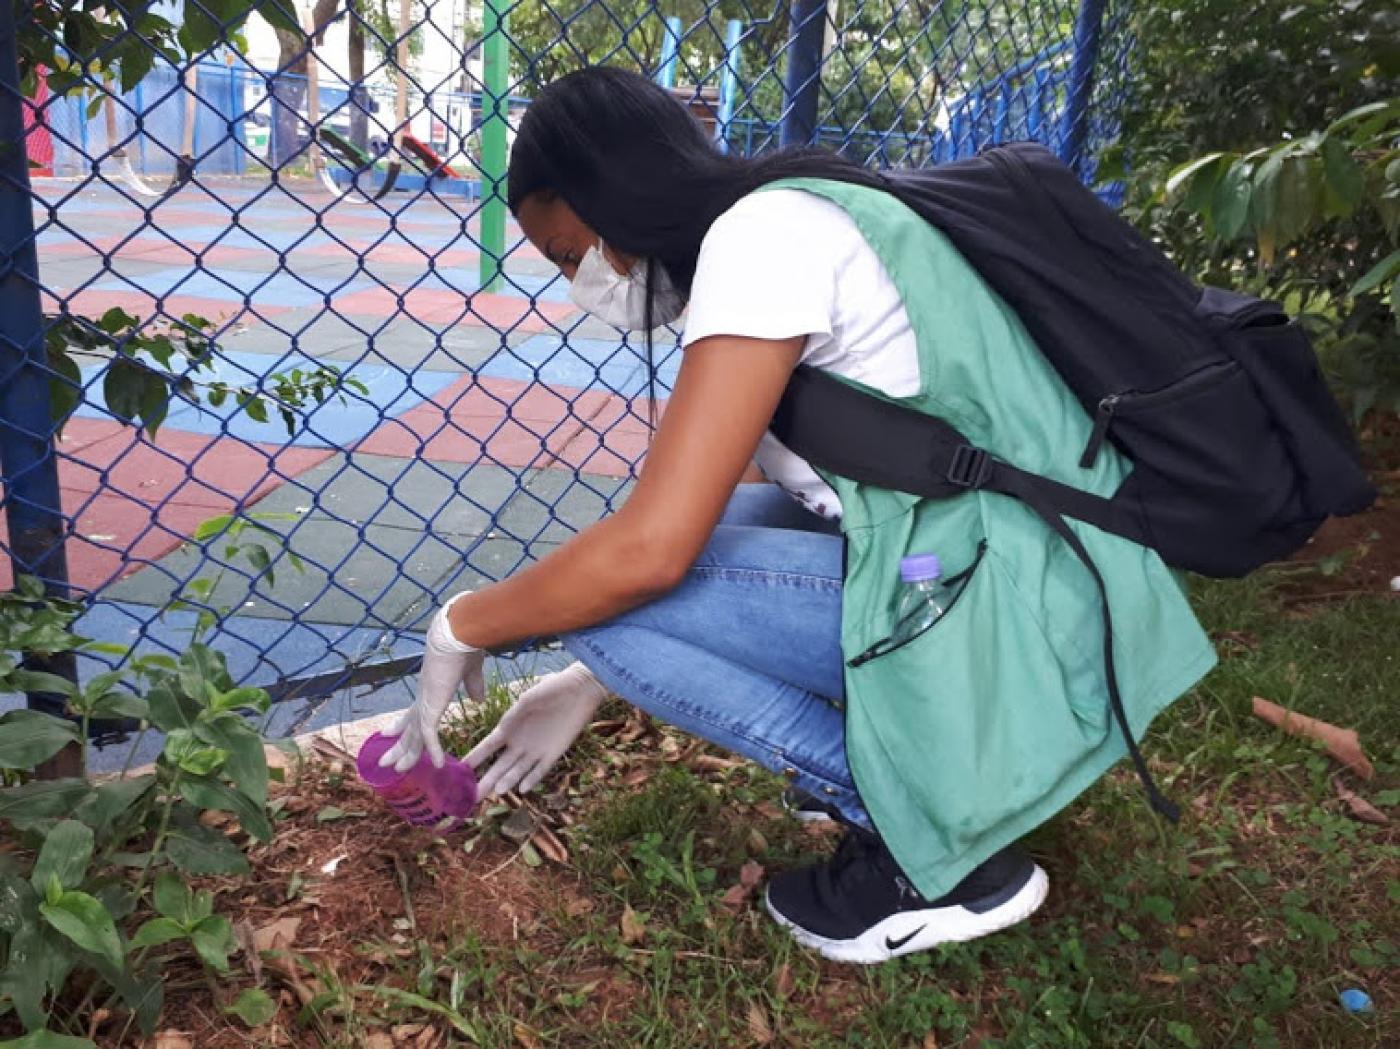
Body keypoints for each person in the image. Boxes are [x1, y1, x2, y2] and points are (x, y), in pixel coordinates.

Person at [379, 67, 1218, 965]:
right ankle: (937, 754)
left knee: (618, 604)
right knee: (666, 566)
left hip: (1014, 595)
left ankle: (925, 838)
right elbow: (714, 501)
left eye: (567, 252)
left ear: (611, 196)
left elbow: (652, 553)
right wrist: (589, 677)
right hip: (1025, 564)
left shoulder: (762, 242)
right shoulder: (788, 217)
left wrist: (460, 627)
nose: (577, 281)